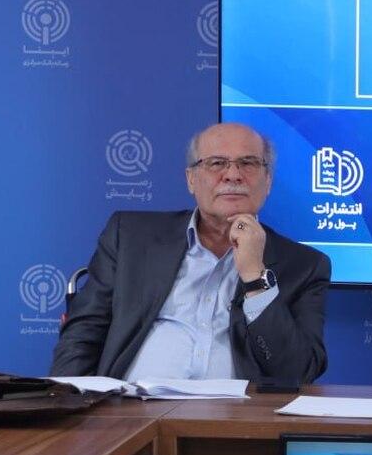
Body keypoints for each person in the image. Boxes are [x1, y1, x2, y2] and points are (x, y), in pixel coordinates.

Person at [51, 122, 330, 383]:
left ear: (267, 181)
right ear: (191, 179)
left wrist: (256, 278)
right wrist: (68, 404)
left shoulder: (304, 266)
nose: (233, 175)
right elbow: (83, 333)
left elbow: (296, 372)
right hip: (131, 408)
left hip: (236, 414)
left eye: (248, 163)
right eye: (216, 163)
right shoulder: (130, 236)